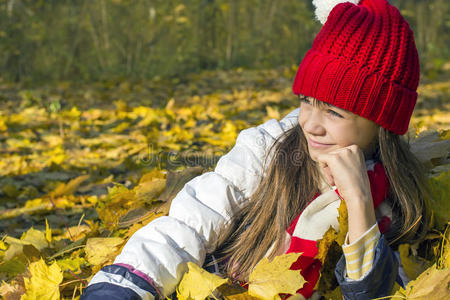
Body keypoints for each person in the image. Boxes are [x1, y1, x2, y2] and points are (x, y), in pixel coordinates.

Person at [81, 0, 430, 299]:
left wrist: (359, 204)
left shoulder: (397, 194)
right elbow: (192, 222)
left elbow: (382, 290)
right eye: (306, 102)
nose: (311, 124)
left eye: (334, 112)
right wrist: (120, 288)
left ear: (381, 122)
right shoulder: (270, 148)